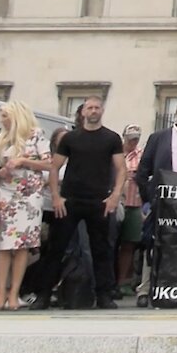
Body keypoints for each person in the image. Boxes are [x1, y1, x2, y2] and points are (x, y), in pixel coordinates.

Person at [31, 96, 124, 310]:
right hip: (70, 200)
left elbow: (121, 169)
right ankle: (43, 294)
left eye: (97, 108)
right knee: (56, 248)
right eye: (89, 108)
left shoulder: (111, 138)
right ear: (83, 112)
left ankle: (104, 295)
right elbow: (54, 167)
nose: (93, 111)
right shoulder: (70, 138)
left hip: (99, 200)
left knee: (102, 250)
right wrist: (56, 196)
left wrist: (115, 195)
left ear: (102, 111)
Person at [0, 101, 52, 311]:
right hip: (7, 192)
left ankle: (14, 293)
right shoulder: (1, 138)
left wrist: (24, 162)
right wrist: (2, 171)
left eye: (6, 116)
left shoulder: (35, 135)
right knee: (4, 244)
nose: (3, 120)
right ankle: (1, 293)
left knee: (23, 244)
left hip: (30, 194)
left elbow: (48, 163)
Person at [116, 124, 144, 298]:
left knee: (129, 244)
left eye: (136, 137)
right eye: (131, 137)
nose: (134, 140)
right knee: (111, 243)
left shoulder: (141, 155)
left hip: (134, 202)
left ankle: (124, 281)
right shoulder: (116, 153)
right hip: (115, 201)